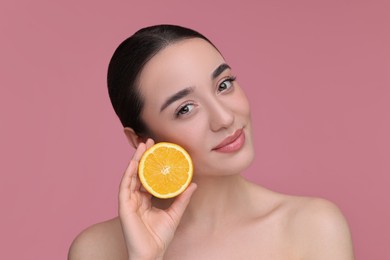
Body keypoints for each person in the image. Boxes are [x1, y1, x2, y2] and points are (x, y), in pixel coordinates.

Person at [68, 24, 354, 259]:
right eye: (185, 109)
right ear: (141, 139)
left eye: (224, 85)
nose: (224, 118)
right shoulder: (96, 251)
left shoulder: (313, 226)